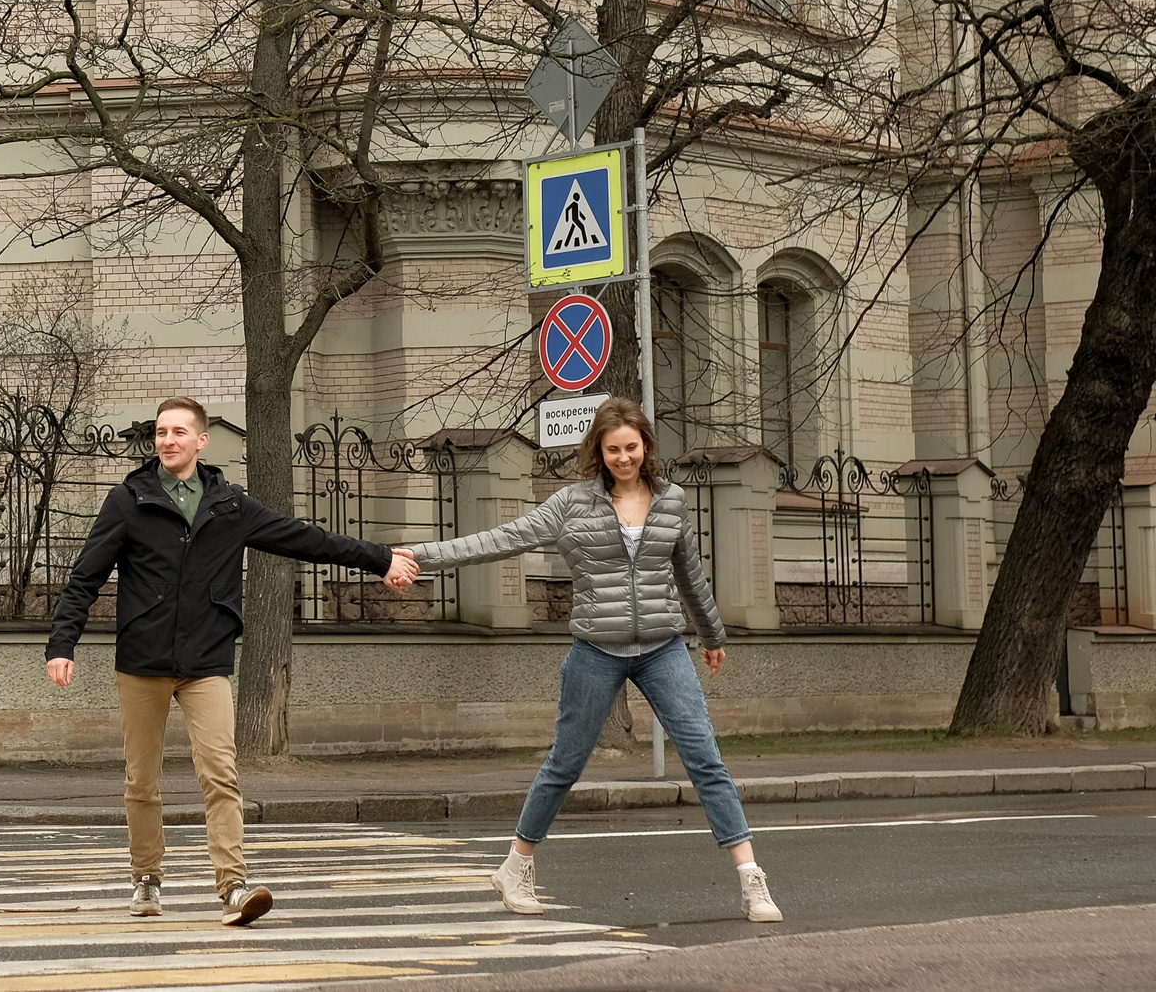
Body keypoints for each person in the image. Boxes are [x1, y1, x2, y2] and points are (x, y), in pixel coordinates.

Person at [400, 395, 783, 924]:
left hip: (663, 647)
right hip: (596, 650)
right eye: (612, 450)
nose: (623, 458)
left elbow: (689, 574)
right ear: (598, 452)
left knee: (705, 758)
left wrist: (711, 634)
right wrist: (420, 555)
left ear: (645, 446)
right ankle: (515, 867)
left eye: (631, 447)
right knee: (565, 763)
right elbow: (501, 539)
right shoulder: (571, 504)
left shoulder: (671, 501)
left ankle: (751, 880)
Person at [47, 396, 420, 926]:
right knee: (142, 780)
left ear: (202, 441)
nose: (167, 440)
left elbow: (304, 538)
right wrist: (63, 644)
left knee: (221, 773)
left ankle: (233, 887)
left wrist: (379, 559)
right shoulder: (128, 500)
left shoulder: (230, 506)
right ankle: (146, 879)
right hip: (142, 662)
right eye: (160, 432)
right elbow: (85, 577)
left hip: (206, 661)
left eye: (179, 432)